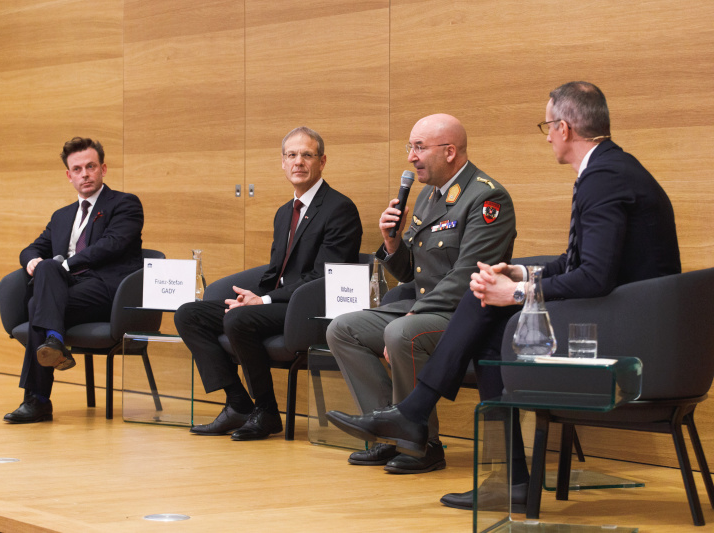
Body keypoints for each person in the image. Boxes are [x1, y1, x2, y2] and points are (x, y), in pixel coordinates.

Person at [326, 81, 681, 508]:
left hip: (632, 335)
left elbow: (595, 278)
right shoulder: (608, 170)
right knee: (488, 314)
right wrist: (521, 272)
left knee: (488, 308)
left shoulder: (602, 178)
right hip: (627, 315)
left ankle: (423, 417)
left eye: (547, 125)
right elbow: (579, 263)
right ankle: (497, 469)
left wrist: (519, 291)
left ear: (565, 128)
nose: (547, 135)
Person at [325, 114, 516, 474]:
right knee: (342, 329)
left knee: (402, 332)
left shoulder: (487, 197)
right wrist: (392, 242)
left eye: (419, 147)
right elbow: (413, 269)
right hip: (425, 307)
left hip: (466, 315)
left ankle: (421, 444)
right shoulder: (430, 197)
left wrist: (416, 311)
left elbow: (468, 275)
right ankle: (387, 432)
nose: (411, 157)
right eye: (409, 147)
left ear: (449, 151)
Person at [174, 126, 362, 441]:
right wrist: (255, 296)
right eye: (291, 155)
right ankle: (238, 404)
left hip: (313, 309)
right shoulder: (283, 213)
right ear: (282, 162)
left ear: (322, 161)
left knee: (239, 317)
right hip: (278, 304)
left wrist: (263, 302)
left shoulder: (339, 209)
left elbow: (325, 278)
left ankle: (267, 412)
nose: (298, 162)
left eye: (306, 155)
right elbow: (277, 271)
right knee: (188, 314)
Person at [4, 137, 144, 423]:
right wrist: (32, 260)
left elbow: (112, 244)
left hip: (108, 292)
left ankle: (38, 399)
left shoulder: (125, 204)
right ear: (69, 176)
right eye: (78, 169)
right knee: (43, 269)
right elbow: (32, 248)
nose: (85, 174)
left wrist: (64, 264)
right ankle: (53, 343)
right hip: (70, 292)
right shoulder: (61, 216)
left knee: (36, 308)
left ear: (103, 168)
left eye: (91, 167)